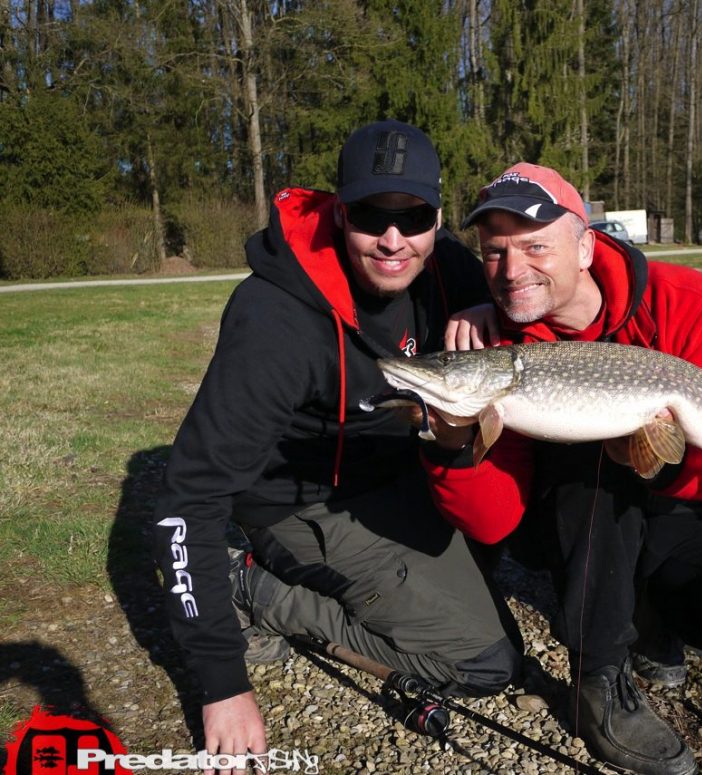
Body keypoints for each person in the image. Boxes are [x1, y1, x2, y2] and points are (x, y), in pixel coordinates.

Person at [429, 163, 702, 775]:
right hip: (575, 518)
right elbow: (492, 523)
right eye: (494, 254)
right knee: (590, 457)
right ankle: (599, 679)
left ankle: (652, 612)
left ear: (587, 246)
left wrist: (656, 457)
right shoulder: (494, 344)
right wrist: (453, 444)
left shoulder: (691, 301)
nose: (512, 271)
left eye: (535, 245)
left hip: (690, 501)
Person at [152, 120, 522, 772]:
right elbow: (188, 495)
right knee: (484, 659)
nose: (392, 238)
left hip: (397, 473)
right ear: (339, 209)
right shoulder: (275, 321)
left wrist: (487, 309)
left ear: (437, 216)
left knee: (507, 539)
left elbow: (553, 287)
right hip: (304, 502)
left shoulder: (449, 268)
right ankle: (255, 590)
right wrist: (222, 680)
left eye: (413, 217)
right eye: (371, 215)